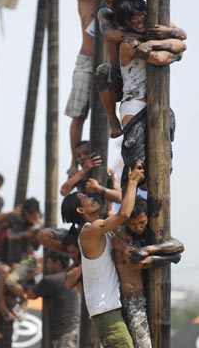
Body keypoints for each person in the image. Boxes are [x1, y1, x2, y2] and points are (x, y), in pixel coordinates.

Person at [65, 0, 132, 176]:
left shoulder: (116, 4)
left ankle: (97, 157)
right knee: (78, 113)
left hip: (108, 61)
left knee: (105, 113)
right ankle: (74, 161)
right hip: (85, 61)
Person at [61, 163, 145, 347]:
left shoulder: (101, 230)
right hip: (106, 311)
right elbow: (123, 214)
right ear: (80, 210)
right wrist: (133, 182)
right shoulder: (89, 231)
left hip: (110, 308)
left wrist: (115, 182)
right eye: (86, 199)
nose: (92, 199)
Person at [115, 0, 187, 188]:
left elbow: (183, 41)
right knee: (139, 167)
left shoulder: (153, 32)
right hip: (134, 105)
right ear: (125, 23)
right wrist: (175, 53)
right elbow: (160, 59)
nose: (137, 21)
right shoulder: (128, 43)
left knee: (162, 162)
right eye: (131, 19)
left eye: (139, 15)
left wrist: (160, 38)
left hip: (157, 104)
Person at [113, 195, 184, 347]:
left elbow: (178, 246)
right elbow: (140, 262)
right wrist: (170, 257)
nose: (138, 228)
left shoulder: (152, 233)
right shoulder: (121, 236)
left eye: (142, 222)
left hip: (152, 295)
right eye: (133, 225)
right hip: (131, 299)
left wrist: (149, 249)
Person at [96, 0, 135, 138]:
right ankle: (113, 122)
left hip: (139, 74)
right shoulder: (106, 14)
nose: (111, 5)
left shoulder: (138, 13)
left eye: (114, 2)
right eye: (108, 2)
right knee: (102, 72)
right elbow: (110, 35)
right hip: (118, 77)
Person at [27, 250, 79, 348]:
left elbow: (31, 295)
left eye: (48, 262)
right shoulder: (71, 275)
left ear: (58, 263)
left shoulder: (50, 280)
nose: (47, 265)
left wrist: (32, 275)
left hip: (61, 333)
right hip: (73, 330)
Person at [60, 140, 122, 211]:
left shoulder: (109, 173)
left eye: (86, 153)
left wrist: (99, 188)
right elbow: (63, 191)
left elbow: (120, 198)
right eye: (78, 156)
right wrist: (84, 171)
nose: (82, 157)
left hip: (106, 216)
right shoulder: (78, 176)